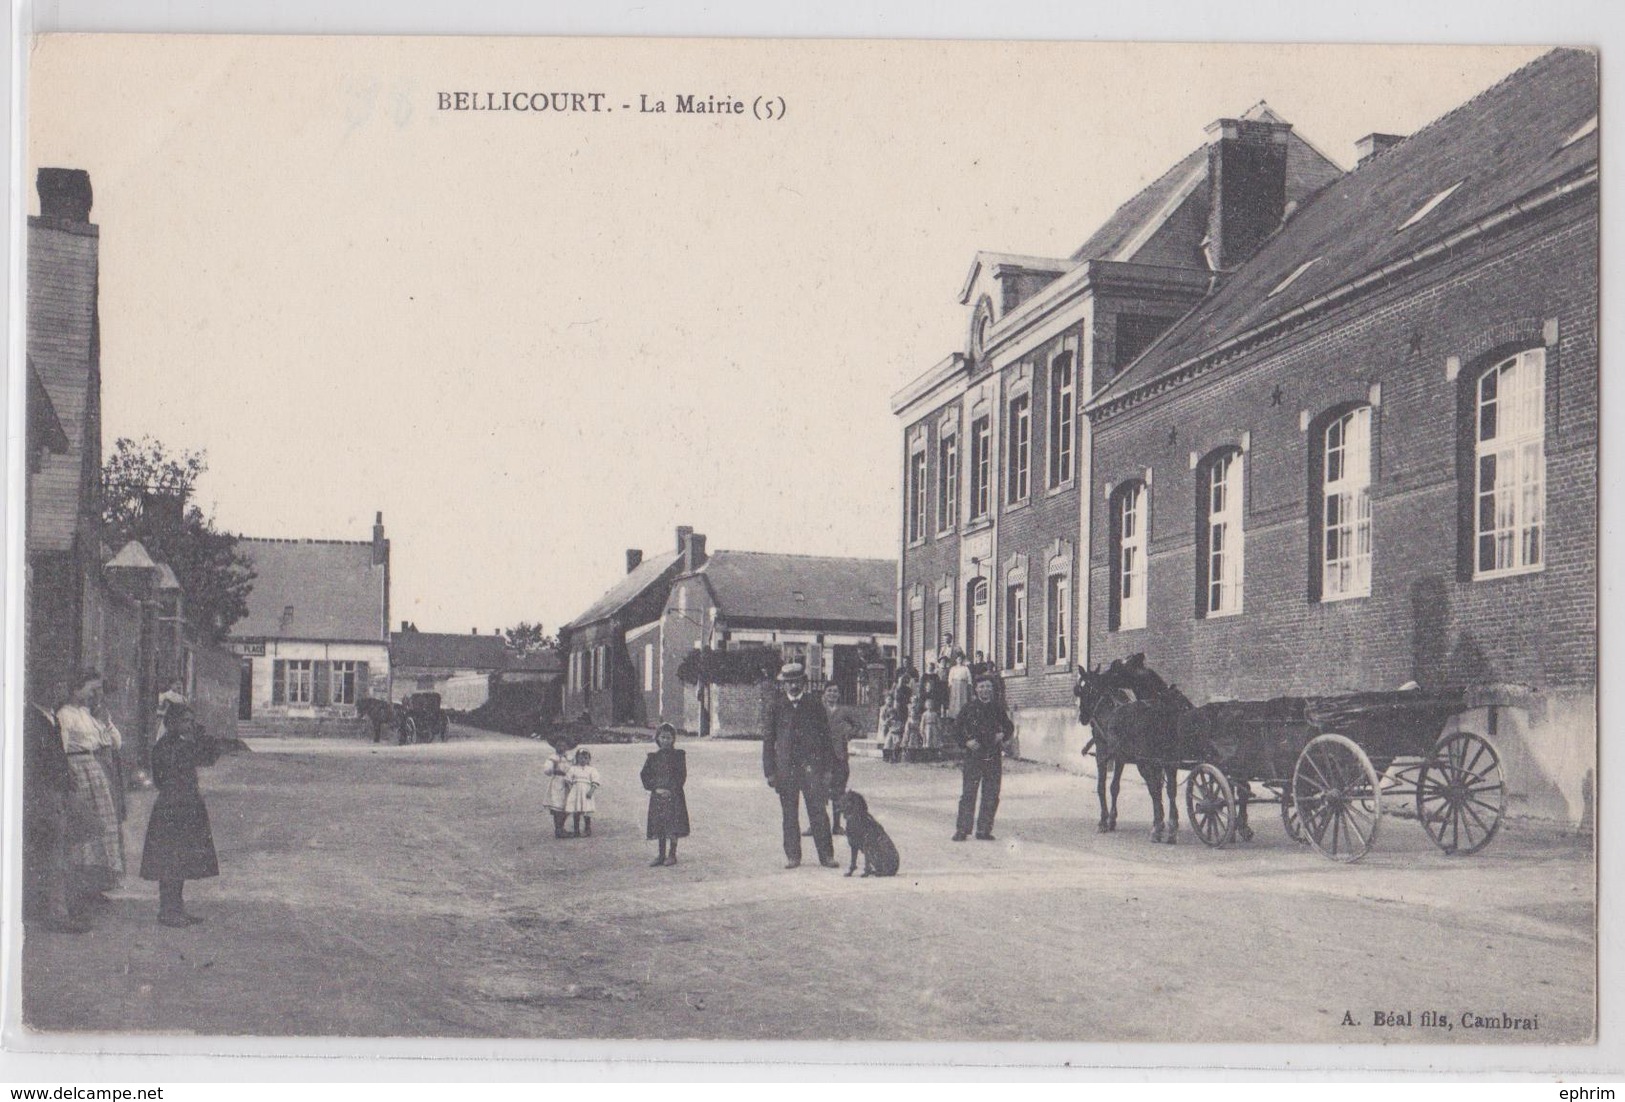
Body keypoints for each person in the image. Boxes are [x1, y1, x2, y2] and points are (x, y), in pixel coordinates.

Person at [139, 704, 220, 927]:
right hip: (171, 807)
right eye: (185, 721)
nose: (189, 725)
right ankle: (167, 910)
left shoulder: (184, 744)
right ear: (171, 723)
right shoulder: (164, 747)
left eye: (191, 721)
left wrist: (199, 737)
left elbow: (209, 757)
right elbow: (161, 779)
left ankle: (177, 907)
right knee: (170, 860)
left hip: (188, 804)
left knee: (182, 858)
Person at [56, 671, 125, 908]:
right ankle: (79, 891)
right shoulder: (65, 714)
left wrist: (104, 721)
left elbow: (115, 742)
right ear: (77, 689)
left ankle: (95, 887)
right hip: (78, 770)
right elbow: (61, 748)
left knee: (102, 829)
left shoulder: (89, 713)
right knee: (84, 831)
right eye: (91, 689)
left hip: (94, 771)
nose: (95, 694)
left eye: (98, 689)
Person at [24, 680, 88, 933]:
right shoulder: (32, 719)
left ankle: (56, 907)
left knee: (58, 851)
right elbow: (38, 762)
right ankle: (55, 913)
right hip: (43, 794)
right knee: (51, 853)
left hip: (57, 793)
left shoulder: (51, 717)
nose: (59, 692)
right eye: (55, 687)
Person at [763, 662, 840, 869]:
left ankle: (826, 856)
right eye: (789, 683)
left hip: (812, 769)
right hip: (786, 770)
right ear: (784, 685)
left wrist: (828, 770)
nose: (793, 687)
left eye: (796, 682)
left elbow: (826, 739)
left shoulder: (814, 705)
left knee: (818, 812)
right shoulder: (776, 706)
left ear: (804, 683)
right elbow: (768, 741)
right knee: (789, 814)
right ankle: (793, 856)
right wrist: (770, 772)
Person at [953, 674, 1015, 841]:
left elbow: (1009, 727)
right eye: (981, 687)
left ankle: (984, 830)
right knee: (968, 793)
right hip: (973, 756)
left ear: (992, 690)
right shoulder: (969, 708)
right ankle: (962, 829)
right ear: (976, 689)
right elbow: (957, 729)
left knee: (991, 793)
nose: (985, 690)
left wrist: (1002, 734)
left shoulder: (997, 708)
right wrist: (967, 742)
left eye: (988, 687)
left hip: (992, 756)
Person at [641, 724, 689, 866]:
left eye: (669, 738)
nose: (665, 740)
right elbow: (644, 775)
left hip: (674, 796)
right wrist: (655, 788)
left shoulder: (678, 756)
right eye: (663, 737)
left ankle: (672, 854)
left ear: (673, 739)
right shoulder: (653, 757)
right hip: (658, 796)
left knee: (673, 825)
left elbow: (681, 776)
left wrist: (670, 790)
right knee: (660, 824)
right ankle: (661, 855)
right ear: (657, 738)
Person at [822, 683, 862, 835]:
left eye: (835, 691)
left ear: (839, 695)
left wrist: (848, 735)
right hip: (822, 756)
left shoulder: (844, 711)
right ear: (825, 694)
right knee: (819, 791)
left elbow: (857, 725)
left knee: (839, 791)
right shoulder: (820, 710)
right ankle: (816, 825)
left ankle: (836, 825)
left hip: (839, 756)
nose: (832, 694)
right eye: (829, 691)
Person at [565, 748, 601, 837]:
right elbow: (568, 779)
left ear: (589, 759)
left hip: (586, 791)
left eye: (585, 758)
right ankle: (576, 830)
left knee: (586, 810)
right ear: (577, 758)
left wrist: (591, 791)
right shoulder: (573, 768)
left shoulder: (591, 769)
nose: (583, 760)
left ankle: (587, 829)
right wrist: (571, 790)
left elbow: (595, 781)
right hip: (576, 791)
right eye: (580, 758)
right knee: (576, 810)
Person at [542, 736, 573, 839]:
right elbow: (547, 770)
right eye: (559, 745)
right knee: (557, 806)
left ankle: (561, 827)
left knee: (567, 806)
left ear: (567, 747)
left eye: (564, 745)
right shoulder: (553, 758)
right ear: (554, 746)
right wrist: (555, 770)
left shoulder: (569, 758)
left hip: (568, 783)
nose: (561, 747)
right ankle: (558, 829)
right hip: (558, 783)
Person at [946, 650, 972, 720]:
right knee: (955, 700)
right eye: (958, 659)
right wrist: (950, 685)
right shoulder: (953, 669)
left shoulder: (965, 668)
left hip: (963, 685)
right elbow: (950, 679)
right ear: (956, 660)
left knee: (962, 699)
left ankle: (963, 714)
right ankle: (954, 716)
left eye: (960, 659)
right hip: (955, 686)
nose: (959, 660)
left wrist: (969, 684)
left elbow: (969, 678)